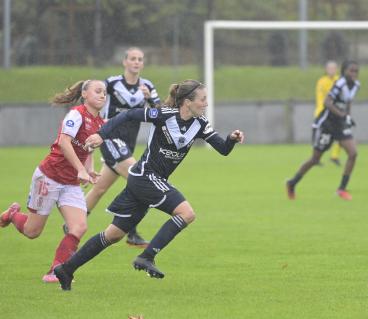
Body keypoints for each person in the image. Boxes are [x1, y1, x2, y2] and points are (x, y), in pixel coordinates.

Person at [54, 79, 245, 291]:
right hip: (144, 176)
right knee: (187, 213)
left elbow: (223, 149)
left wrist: (231, 138)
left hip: (148, 180)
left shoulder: (200, 124)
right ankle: (146, 257)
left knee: (113, 235)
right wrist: (101, 134)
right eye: (203, 100)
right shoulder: (163, 115)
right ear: (187, 102)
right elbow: (128, 115)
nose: (206, 104)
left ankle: (66, 269)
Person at [0, 80, 106, 283]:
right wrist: (81, 169)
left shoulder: (100, 123)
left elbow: (87, 149)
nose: (102, 95)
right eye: (98, 91)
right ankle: (13, 215)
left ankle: (56, 270)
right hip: (49, 177)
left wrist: (89, 170)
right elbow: (64, 143)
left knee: (79, 227)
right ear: (84, 94)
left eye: (104, 92)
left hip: (71, 183)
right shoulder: (76, 114)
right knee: (32, 232)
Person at [66, 47, 161, 247]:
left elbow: (160, 114)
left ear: (143, 64)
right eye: (133, 59)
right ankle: (131, 232)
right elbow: (93, 96)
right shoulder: (112, 83)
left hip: (127, 145)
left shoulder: (147, 86)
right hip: (109, 138)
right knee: (139, 180)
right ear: (125, 62)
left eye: (140, 59)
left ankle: (72, 223)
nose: (136, 62)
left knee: (99, 188)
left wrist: (150, 98)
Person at [286, 60, 360, 201]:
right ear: (344, 71)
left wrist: (348, 117)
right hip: (326, 124)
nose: (354, 74)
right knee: (315, 159)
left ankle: (341, 189)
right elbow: (327, 102)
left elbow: (348, 101)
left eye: (356, 71)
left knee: (353, 153)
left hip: (340, 124)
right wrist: (343, 115)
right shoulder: (339, 84)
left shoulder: (356, 85)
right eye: (351, 70)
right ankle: (292, 183)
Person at [315, 61, 341, 166]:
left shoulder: (339, 81)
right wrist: (322, 111)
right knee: (323, 137)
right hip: (324, 112)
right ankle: (316, 157)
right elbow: (322, 98)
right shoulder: (322, 81)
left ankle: (334, 156)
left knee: (339, 135)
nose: (332, 70)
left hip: (336, 112)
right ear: (326, 69)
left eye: (334, 68)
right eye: (329, 68)